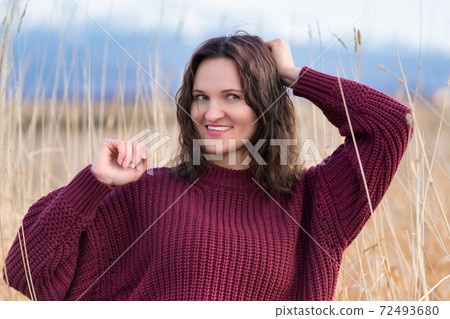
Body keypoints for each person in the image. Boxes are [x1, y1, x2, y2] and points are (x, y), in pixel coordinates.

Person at [2, 33, 413, 301]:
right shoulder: (148, 192)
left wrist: (292, 74)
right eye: (200, 96)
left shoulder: (314, 204)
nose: (211, 112)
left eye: (232, 96)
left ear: (266, 103)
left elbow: (391, 125)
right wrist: (94, 184)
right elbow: (25, 271)